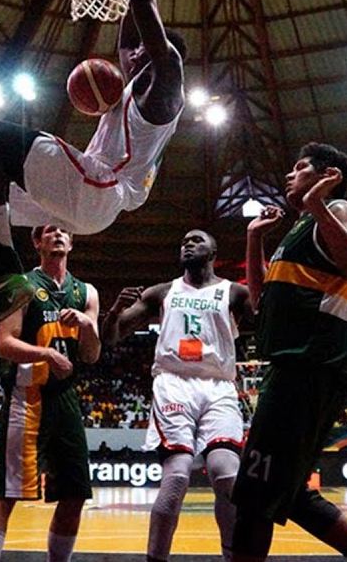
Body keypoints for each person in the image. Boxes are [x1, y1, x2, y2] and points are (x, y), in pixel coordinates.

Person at [0, 0, 186, 327]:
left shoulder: (166, 88)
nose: (133, 52)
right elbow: (129, 36)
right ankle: (4, 269)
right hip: (86, 203)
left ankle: (3, 262)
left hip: (99, 188)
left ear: (167, 53)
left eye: (148, 44)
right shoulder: (137, 80)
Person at [231, 143, 347, 562]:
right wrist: (254, 240)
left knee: (253, 494)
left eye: (299, 168)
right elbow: (259, 303)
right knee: (290, 491)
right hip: (294, 366)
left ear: (326, 176)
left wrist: (319, 203)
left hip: (310, 365)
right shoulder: (300, 230)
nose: (289, 175)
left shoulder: (338, 211)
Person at [104, 229, 253, 562]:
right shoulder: (162, 292)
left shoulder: (234, 292)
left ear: (214, 251)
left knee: (227, 473)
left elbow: (270, 323)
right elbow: (111, 338)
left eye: (197, 240)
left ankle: (234, 556)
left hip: (219, 385)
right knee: (178, 476)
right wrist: (114, 312)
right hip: (174, 382)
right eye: (184, 240)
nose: (187, 243)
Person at [0, 224, 101, 562]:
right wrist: (45, 353)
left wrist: (88, 326)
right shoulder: (20, 285)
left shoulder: (87, 292)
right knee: (7, 493)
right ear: (36, 242)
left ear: (72, 243)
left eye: (63, 231)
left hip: (66, 399)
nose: (57, 234)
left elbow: (91, 355)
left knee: (75, 494)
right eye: (48, 231)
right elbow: (5, 343)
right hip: (26, 396)